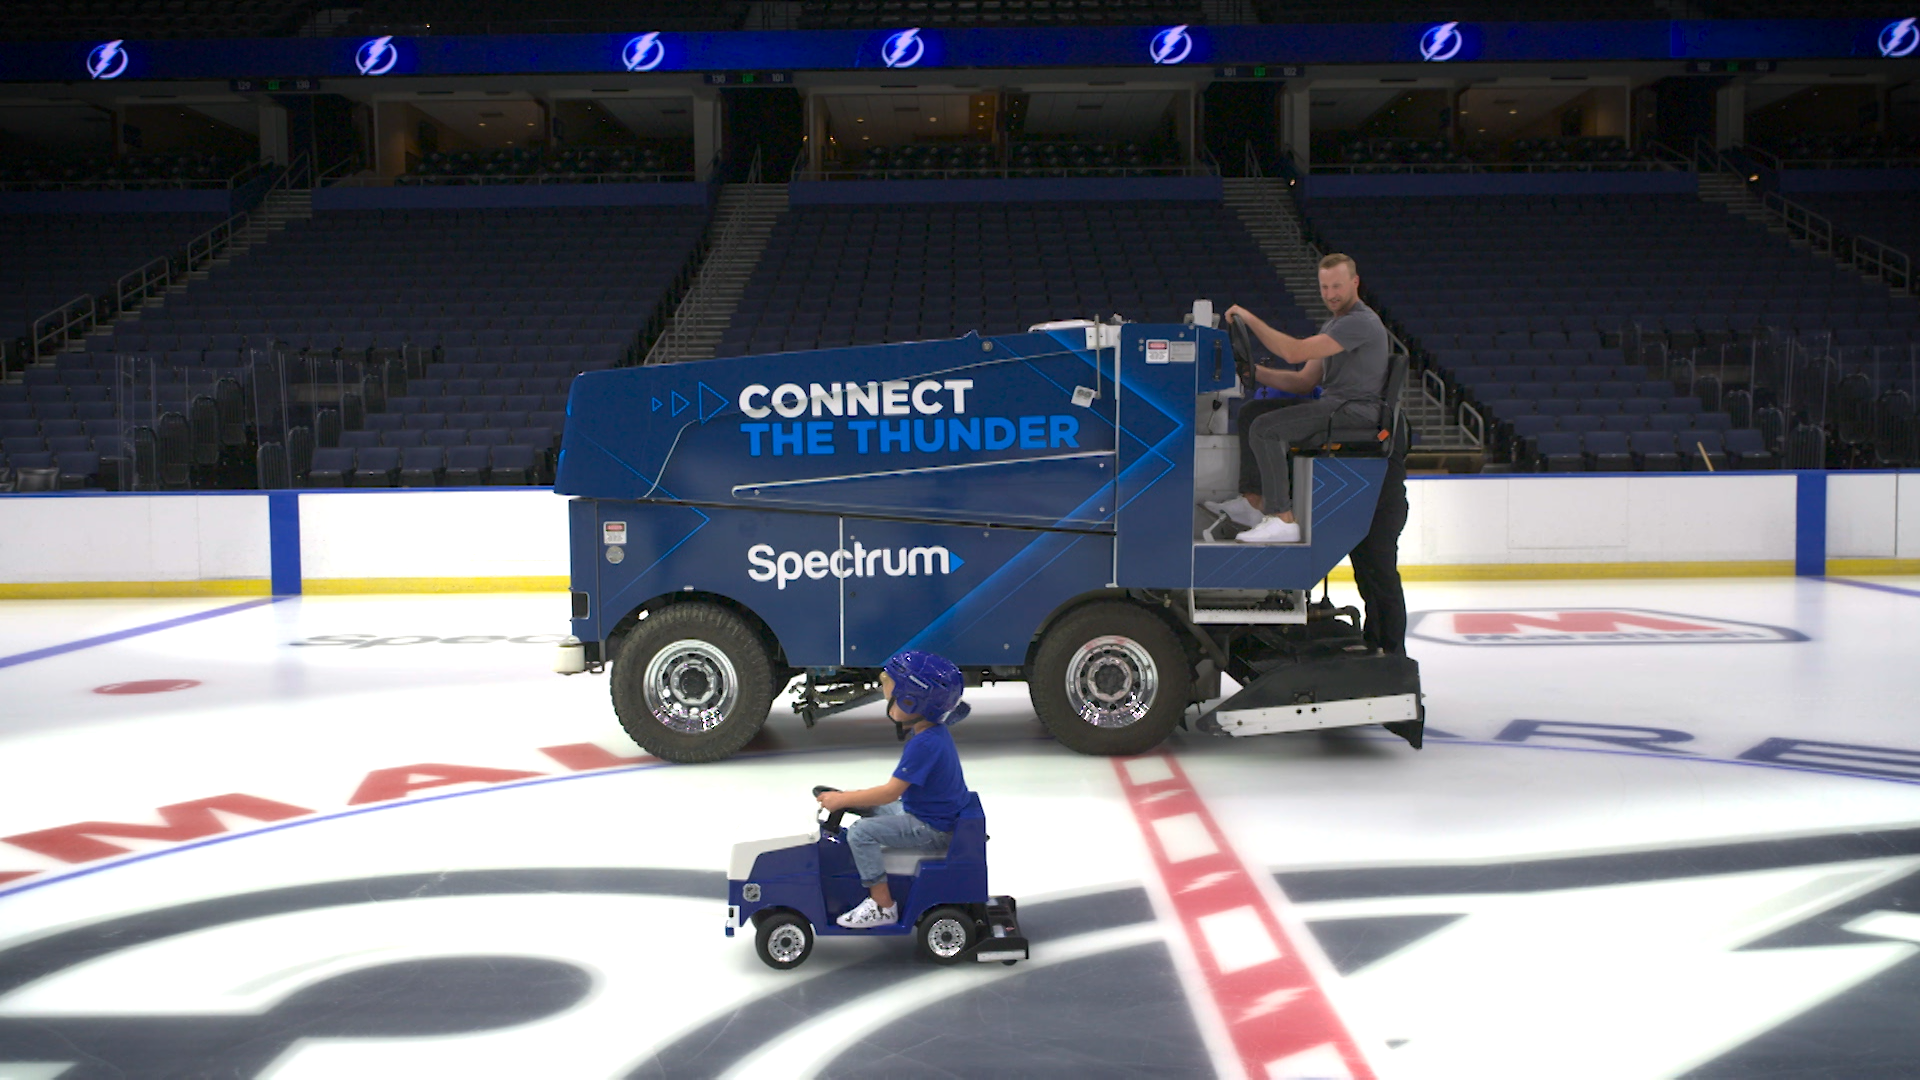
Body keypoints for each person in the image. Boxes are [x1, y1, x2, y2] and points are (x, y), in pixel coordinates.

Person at [1208, 254, 1390, 544]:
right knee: (1251, 413)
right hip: (1334, 405)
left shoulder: (1360, 323)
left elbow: (1293, 352)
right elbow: (1304, 381)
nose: (1330, 294)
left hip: (1354, 411)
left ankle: (1282, 518)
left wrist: (1249, 318)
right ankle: (1253, 502)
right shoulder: (1334, 325)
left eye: (1337, 286)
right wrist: (1250, 371)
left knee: (1266, 428)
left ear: (1355, 282)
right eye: (1324, 287)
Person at [816, 649, 972, 929]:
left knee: (861, 834)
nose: (887, 701)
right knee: (871, 808)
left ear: (913, 702)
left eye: (893, 697)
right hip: (929, 813)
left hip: (932, 827)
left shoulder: (923, 744)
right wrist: (850, 800)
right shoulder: (931, 733)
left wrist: (842, 799)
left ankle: (882, 905)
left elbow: (891, 792)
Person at [1348, 414, 1409, 655]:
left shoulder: (1388, 418)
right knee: (1367, 577)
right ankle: (1373, 639)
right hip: (1367, 505)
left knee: (1382, 579)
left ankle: (1394, 651)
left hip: (1384, 506)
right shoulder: (1380, 415)